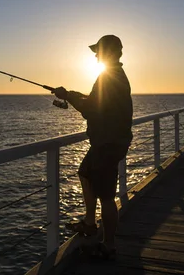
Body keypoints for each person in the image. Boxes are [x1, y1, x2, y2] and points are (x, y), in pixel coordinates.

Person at [52, 35, 133, 259]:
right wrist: (73, 95)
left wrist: (67, 95)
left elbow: (93, 108)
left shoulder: (109, 77)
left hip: (108, 143)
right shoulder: (113, 75)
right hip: (106, 141)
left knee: (106, 196)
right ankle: (89, 222)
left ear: (108, 52)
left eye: (98, 51)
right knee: (85, 172)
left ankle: (109, 245)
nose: (96, 55)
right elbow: (97, 102)